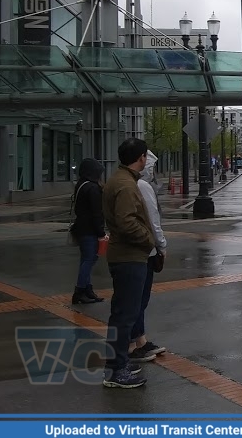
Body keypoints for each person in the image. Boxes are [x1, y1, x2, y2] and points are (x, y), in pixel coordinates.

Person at [101, 137, 155, 389]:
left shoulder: (121, 180)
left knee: (122, 314)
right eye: (145, 156)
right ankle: (115, 370)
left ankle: (117, 363)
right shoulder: (125, 185)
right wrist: (149, 241)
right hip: (129, 257)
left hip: (125, 256)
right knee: (125, 315)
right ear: (141, 157)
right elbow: (127, 222)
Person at [128, 149, 168, 362]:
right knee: (139, 298)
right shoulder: (142, 186)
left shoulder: (127, 183)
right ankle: (133, 343)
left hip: (136, 250)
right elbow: (153, 221)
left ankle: (140, 340)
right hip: (145, 250)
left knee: (136, 299)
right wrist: (161, 245)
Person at [70, 158, 108, 305]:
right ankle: (80, 291)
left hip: (81, 228)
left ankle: (87, 289)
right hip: (90, 230)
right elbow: (96, 213)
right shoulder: (92, 188)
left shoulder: (81, 184)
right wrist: (101, 233)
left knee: (85, 259)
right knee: (89, 260)